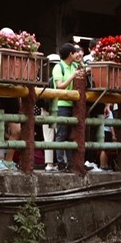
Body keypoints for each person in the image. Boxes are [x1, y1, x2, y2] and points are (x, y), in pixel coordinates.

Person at [49, 42, 84, 170]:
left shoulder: (75, 65)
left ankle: (71, 162)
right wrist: (73, 76)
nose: (77, 54)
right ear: (71, 54)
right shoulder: (59, 67)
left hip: (73, 104)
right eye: (75, 52)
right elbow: (59, 85)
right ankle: (60, 162)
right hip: (61, 104)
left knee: (71, 135)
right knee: (61, 134)